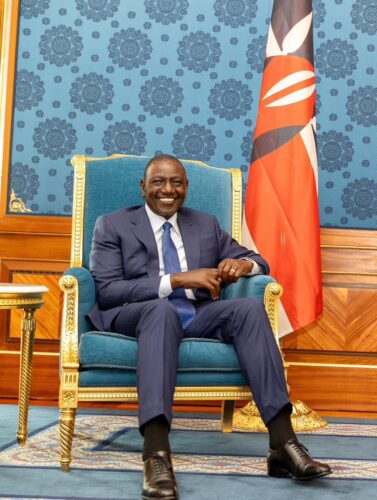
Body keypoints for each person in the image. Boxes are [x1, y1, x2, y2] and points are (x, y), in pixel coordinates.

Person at [88, 154, 331, 499]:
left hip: (195, 314)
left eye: (176, 182)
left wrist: (242, 265)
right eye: (158, 182)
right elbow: (108, 291)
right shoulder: (112, 225)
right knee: (161, 312)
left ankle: (283, 445)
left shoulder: (204, 224)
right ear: (143, 188)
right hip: (137, 315)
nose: (167, 189)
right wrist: (175, 280)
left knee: (247, 309)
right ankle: (156, 455)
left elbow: (259, 259)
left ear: (186, 187)